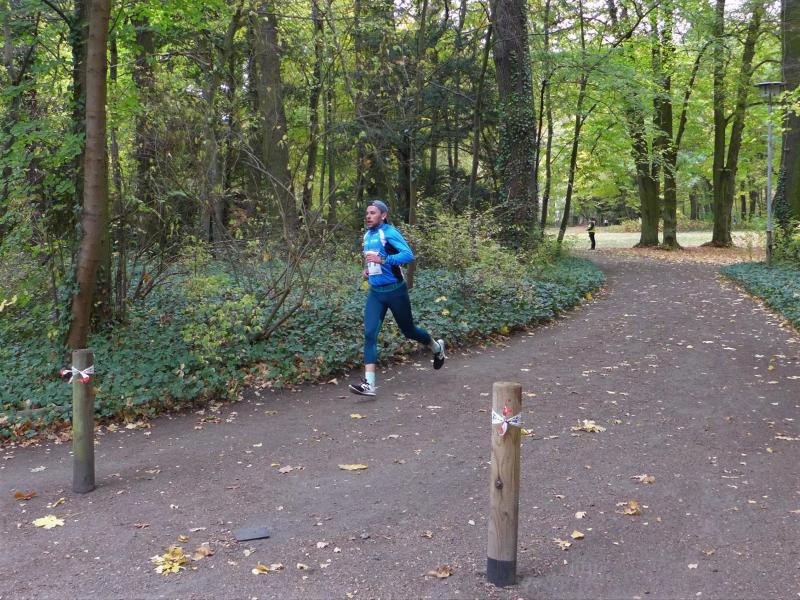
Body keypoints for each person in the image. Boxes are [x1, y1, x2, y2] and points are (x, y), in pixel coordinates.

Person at [349, 200, 446, 397]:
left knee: (409, 331)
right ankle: (369, 384)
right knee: (369, 334)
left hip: (396, 292)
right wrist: (367, 271)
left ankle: (436, 347)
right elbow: (373, 261)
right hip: (376, 293)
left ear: (383, 215)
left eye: (373, 213)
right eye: (367, 213)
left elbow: (408, 255)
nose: (368, 216)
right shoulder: (367, 235)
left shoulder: (389, 232)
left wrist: (384, 260)